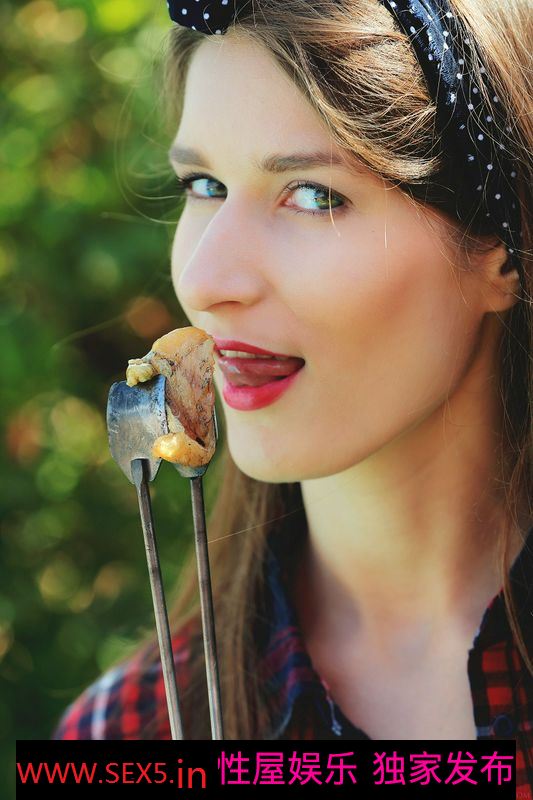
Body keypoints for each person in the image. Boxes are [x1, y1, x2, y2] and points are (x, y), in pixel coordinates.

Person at [53, 0, 532, 793]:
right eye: (203, 184)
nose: (205, 281)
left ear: (500, 252)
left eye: (313, 195)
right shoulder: (126, 735)